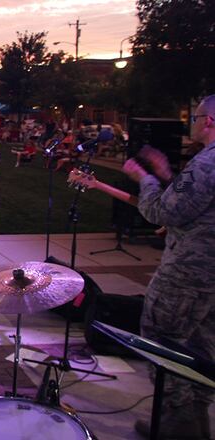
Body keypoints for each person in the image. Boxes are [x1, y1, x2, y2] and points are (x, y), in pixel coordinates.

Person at [123, 95, 215, 439]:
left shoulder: (207, 163)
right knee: (203, 345)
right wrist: (168, 176)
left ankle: (175, 425)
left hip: (189, 271)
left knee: (163, 340)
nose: (190, 120)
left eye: (196, 116)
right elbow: (198, 203)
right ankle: (197, 422)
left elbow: (164, 213)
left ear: (209, 122)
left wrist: (145, 179)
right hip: (210, 276)